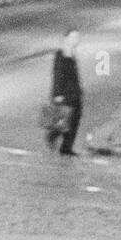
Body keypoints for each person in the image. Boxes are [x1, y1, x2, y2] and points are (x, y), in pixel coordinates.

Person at [48, 28, 83, 156]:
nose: (76, 40)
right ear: (66, 38)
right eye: (73, 37)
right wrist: (57, 94)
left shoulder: (71, 53)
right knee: (66, 119)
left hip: (75, 93)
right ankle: (53, 135)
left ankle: (66, 148)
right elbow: (58, 75)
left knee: (74, 120)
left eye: (77, 38)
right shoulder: (61, 54)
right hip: (66, 94)